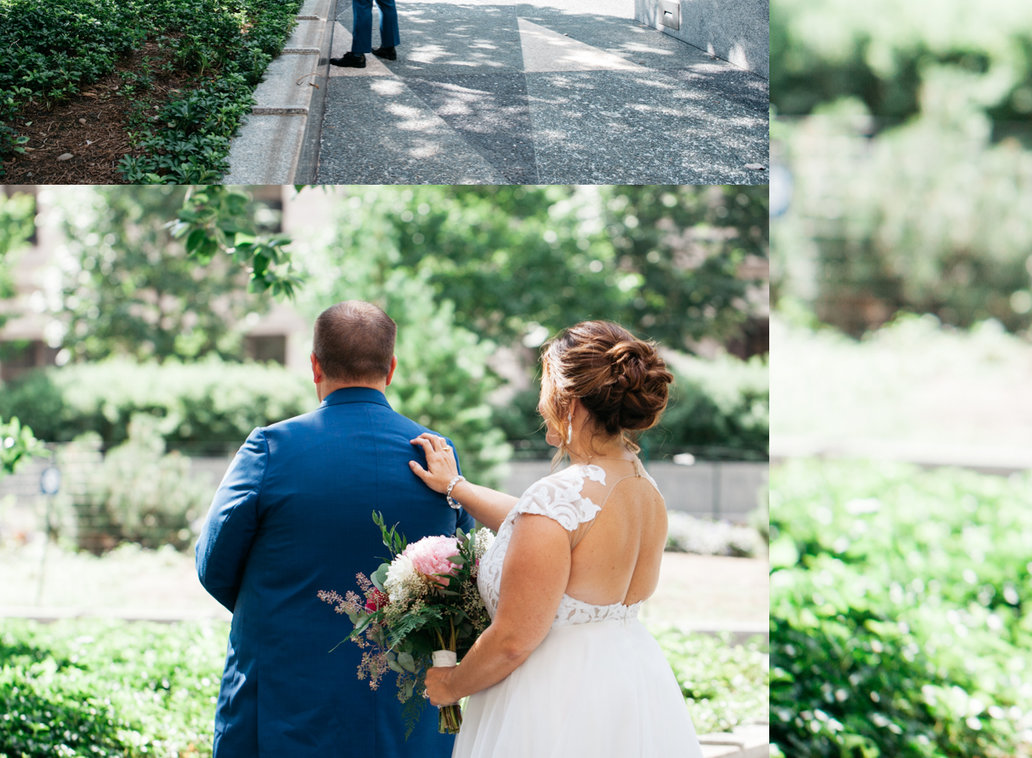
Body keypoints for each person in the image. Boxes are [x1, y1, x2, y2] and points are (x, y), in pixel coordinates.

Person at [407, 321, 703, 757]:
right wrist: (458, 488)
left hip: (552, 703)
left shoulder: (559, 495)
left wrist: (451, 685)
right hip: (629, 690)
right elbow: (537, 528)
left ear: (570, 400)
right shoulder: (644, 489)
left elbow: (513, 640)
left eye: (546, 387)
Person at [198, 301, 468, 758]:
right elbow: (459, 578)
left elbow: (213, 564)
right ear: (392, 368)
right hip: (400, 707)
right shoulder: (438, 458)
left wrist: (281, 613)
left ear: (314, 365)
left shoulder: (269, 448)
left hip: (286, 695)